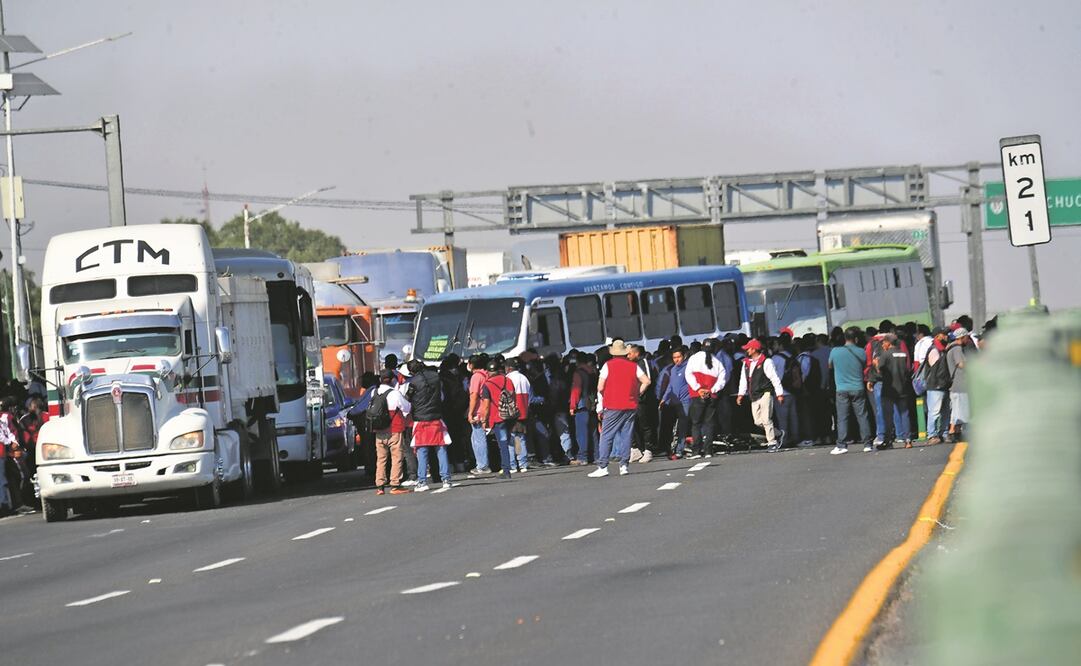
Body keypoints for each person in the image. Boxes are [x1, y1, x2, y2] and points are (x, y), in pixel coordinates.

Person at [588, 340, 650, 478]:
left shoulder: (607, 366)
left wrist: (606, 397)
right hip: (630, 405)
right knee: (626, 435)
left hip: (613, 405)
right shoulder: (634, 366)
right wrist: (637, 393)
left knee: (606, 436)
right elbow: (647, 381)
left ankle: (603, 466)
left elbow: (600, 387)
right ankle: (624, 465)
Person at [404, 360, 450, 492]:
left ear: (411, 371)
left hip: (420, 419)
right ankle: (446, 479)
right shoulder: (436, 377)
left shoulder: (413, 382)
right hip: (436, 417)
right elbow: (441, 396)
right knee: (441, 448)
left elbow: (408, 399)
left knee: (422, 451)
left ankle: (422, 480)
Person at [829, 327, 874, 454]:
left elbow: (830, 366)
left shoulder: (835, 351)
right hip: (858, 387)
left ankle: (842, 445)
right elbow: (865, 365)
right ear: (856, 339)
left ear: (844, 338)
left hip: (842, 389)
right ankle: (867, 443)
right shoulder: (861, 352)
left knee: (842, 417)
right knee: (862, 416)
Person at [737, 340, 784, 451]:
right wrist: (740, 394)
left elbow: (774, 378)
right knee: (758, 421)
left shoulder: (766, 362)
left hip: (766, 392)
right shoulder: (746, 363)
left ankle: (772, 443)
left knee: (766, 419)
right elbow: (743, 380)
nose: (747, 350)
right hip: (754, 394)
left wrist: (779, 394)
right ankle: (778, 433)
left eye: (748, 348)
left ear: (754, 349)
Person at [370, 370, 412, 495]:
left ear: (380, 380)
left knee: (381, 458)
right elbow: (407, 407)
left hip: (379, 430)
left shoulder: (374, 393)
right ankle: (395, 484)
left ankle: (380, 486)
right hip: (394, 429)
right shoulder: (395, 393)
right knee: (396, 457)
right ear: (392, 380)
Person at [684, 338, 726, 459]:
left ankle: (696, 451)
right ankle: (708, 451)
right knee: (709, 423)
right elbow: (722, 381)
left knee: (696, 423)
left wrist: (698, 389)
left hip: (697, 395)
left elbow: (688, 374)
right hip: (711, 396)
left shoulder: (694, 358)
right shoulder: (718, 362)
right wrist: (711, 390)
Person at [479, 359, 517, 479]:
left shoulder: (487, 385)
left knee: (503, 444)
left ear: (488, 372)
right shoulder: (507, 380)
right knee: (510, 441)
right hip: (510, 415)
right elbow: (513, 396)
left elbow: (486, 406)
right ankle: (515, 464)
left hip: (497, 418)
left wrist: (484, 421)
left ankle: (506, 470)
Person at [873, 334, 913, 448]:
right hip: (903, 387)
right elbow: (907, 370)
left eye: (884, 342)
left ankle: (887, 441)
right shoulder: (903, 354)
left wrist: (876, 364)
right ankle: (908, 440)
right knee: (904, 414)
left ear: (889, 343)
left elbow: (880, 371)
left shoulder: (886, 354)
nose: (882, 344)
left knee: (888, 415)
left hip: (889, 389)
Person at [659, 346, 692, 459]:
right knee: (676, 427)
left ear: (684, 356)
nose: (676, 360)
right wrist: (664, 398)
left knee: (683, 425)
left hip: (686, 400)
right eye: (674, 357)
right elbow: (670, 386)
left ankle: (680, 449)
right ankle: (676, 448)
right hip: (675, 401)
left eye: (679, 357)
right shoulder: (673, 370)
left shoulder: (688, 367)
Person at [627, 344, 658, 463]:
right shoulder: (632, 365)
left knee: (645, 425)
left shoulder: (642, 362)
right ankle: (636, 449)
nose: (628, 356)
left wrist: (638, 393)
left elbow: (647, 381)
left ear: (636, 353)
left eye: (630, 353)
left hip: (643, 400)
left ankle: (648, 450)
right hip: (633, 400)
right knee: (633, 424)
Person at [922, 327, 952, 445]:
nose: (946, 335)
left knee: (945, 411)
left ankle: (943, 433)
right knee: (934, 411)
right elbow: (936, 370)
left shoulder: (943, 349)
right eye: (943, 334)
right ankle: (932, 435)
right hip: (936, 385)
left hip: (943, 385)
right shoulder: (935, 350)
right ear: (937, 336)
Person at [568, 353, 598, 466]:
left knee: (581, 433)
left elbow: (576, 390)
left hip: (581, 405)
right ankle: (596, 455)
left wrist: (572, 406)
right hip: (592, 404)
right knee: (593, 432)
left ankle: (582, 457)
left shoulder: (578, 373)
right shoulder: (593, 371)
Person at [771, 338, 800, 449]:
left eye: (775, 344)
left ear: (780, 345)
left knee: (782, 418)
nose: (773, 346)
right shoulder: (792, 357)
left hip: (781, 392)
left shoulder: (775, 358)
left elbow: (773, 376)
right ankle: (796, 438)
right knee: (794, 416)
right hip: (792, 390)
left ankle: (785, 439)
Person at [466, 354, 492, 475]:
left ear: (471, 365)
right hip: (488, 409)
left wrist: (470, 413)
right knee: (476, 438)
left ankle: (482, 465)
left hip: (479, 411)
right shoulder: (486, 374)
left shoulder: (476, 377)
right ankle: (482, 463)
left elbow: (474, 396)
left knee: (478, 438)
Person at [505, 359, 532, 472]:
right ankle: (523, 463)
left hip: (512, 413)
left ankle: (512, 465)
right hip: (524, 412)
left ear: (509, 368)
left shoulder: (508, 379)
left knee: (511, 440)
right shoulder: (524, 378)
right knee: (521, 438)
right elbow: (530, 396)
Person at [946, 327, 971, 442]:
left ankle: (954, 432)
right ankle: (954, 432)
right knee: (960, 410)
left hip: (955, 384)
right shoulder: (957, 349)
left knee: (956, 409)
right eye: (967, 337)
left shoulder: (951, 348)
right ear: (962, 337)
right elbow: (960, 364)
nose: (968, 339)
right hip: (960, 384)